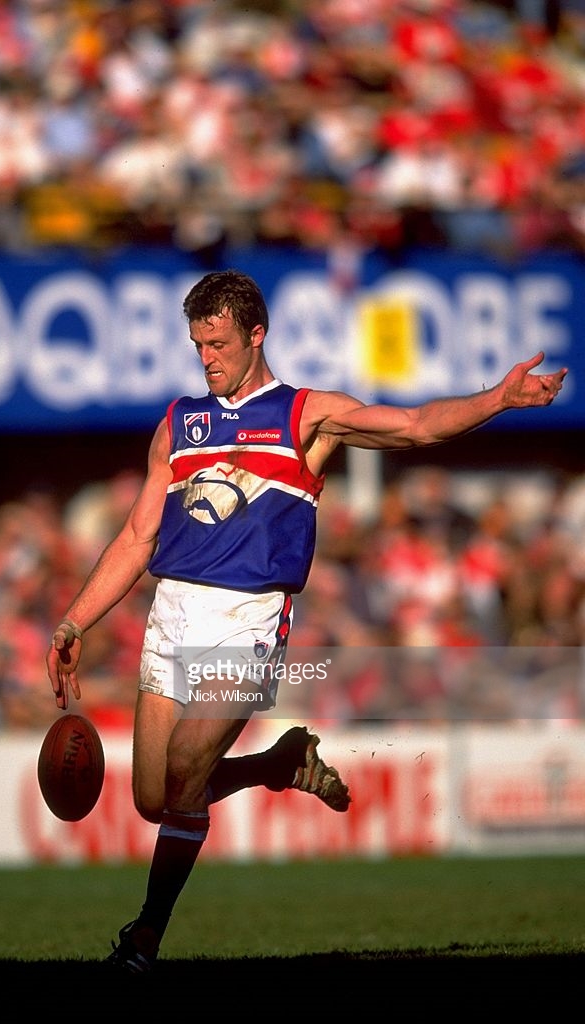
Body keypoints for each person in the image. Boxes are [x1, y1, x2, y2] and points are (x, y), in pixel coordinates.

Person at [46, 268, 567, 975]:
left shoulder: (305, 415)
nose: (208, 358)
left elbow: (413, 427)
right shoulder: (180, 422)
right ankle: (277, 763)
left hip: (248, 621)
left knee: (182, 776)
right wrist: (74, 622)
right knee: (152, 798)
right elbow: (139, 536)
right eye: (198, 344)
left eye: (220, 343)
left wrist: (498, 400)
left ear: (256, 334)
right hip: (171, 612)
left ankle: (144, 940)